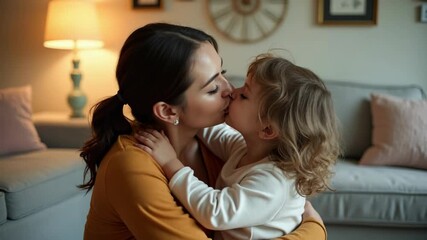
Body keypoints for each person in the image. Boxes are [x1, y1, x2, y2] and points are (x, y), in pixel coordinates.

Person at [79, 22, 328, 240]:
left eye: (223, 73)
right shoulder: (131, 164)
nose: (230, 89)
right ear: (168, 112)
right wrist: (314, 230)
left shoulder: (212, 140)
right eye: (211, 89)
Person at [135, 53, 340, 239]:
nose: (233, 91)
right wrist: (187, 113)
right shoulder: (246, 148)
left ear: (267, 130)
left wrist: (171, 163)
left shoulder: (273, 181)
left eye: (244, 95)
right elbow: (213, 131)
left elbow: (214, 212)